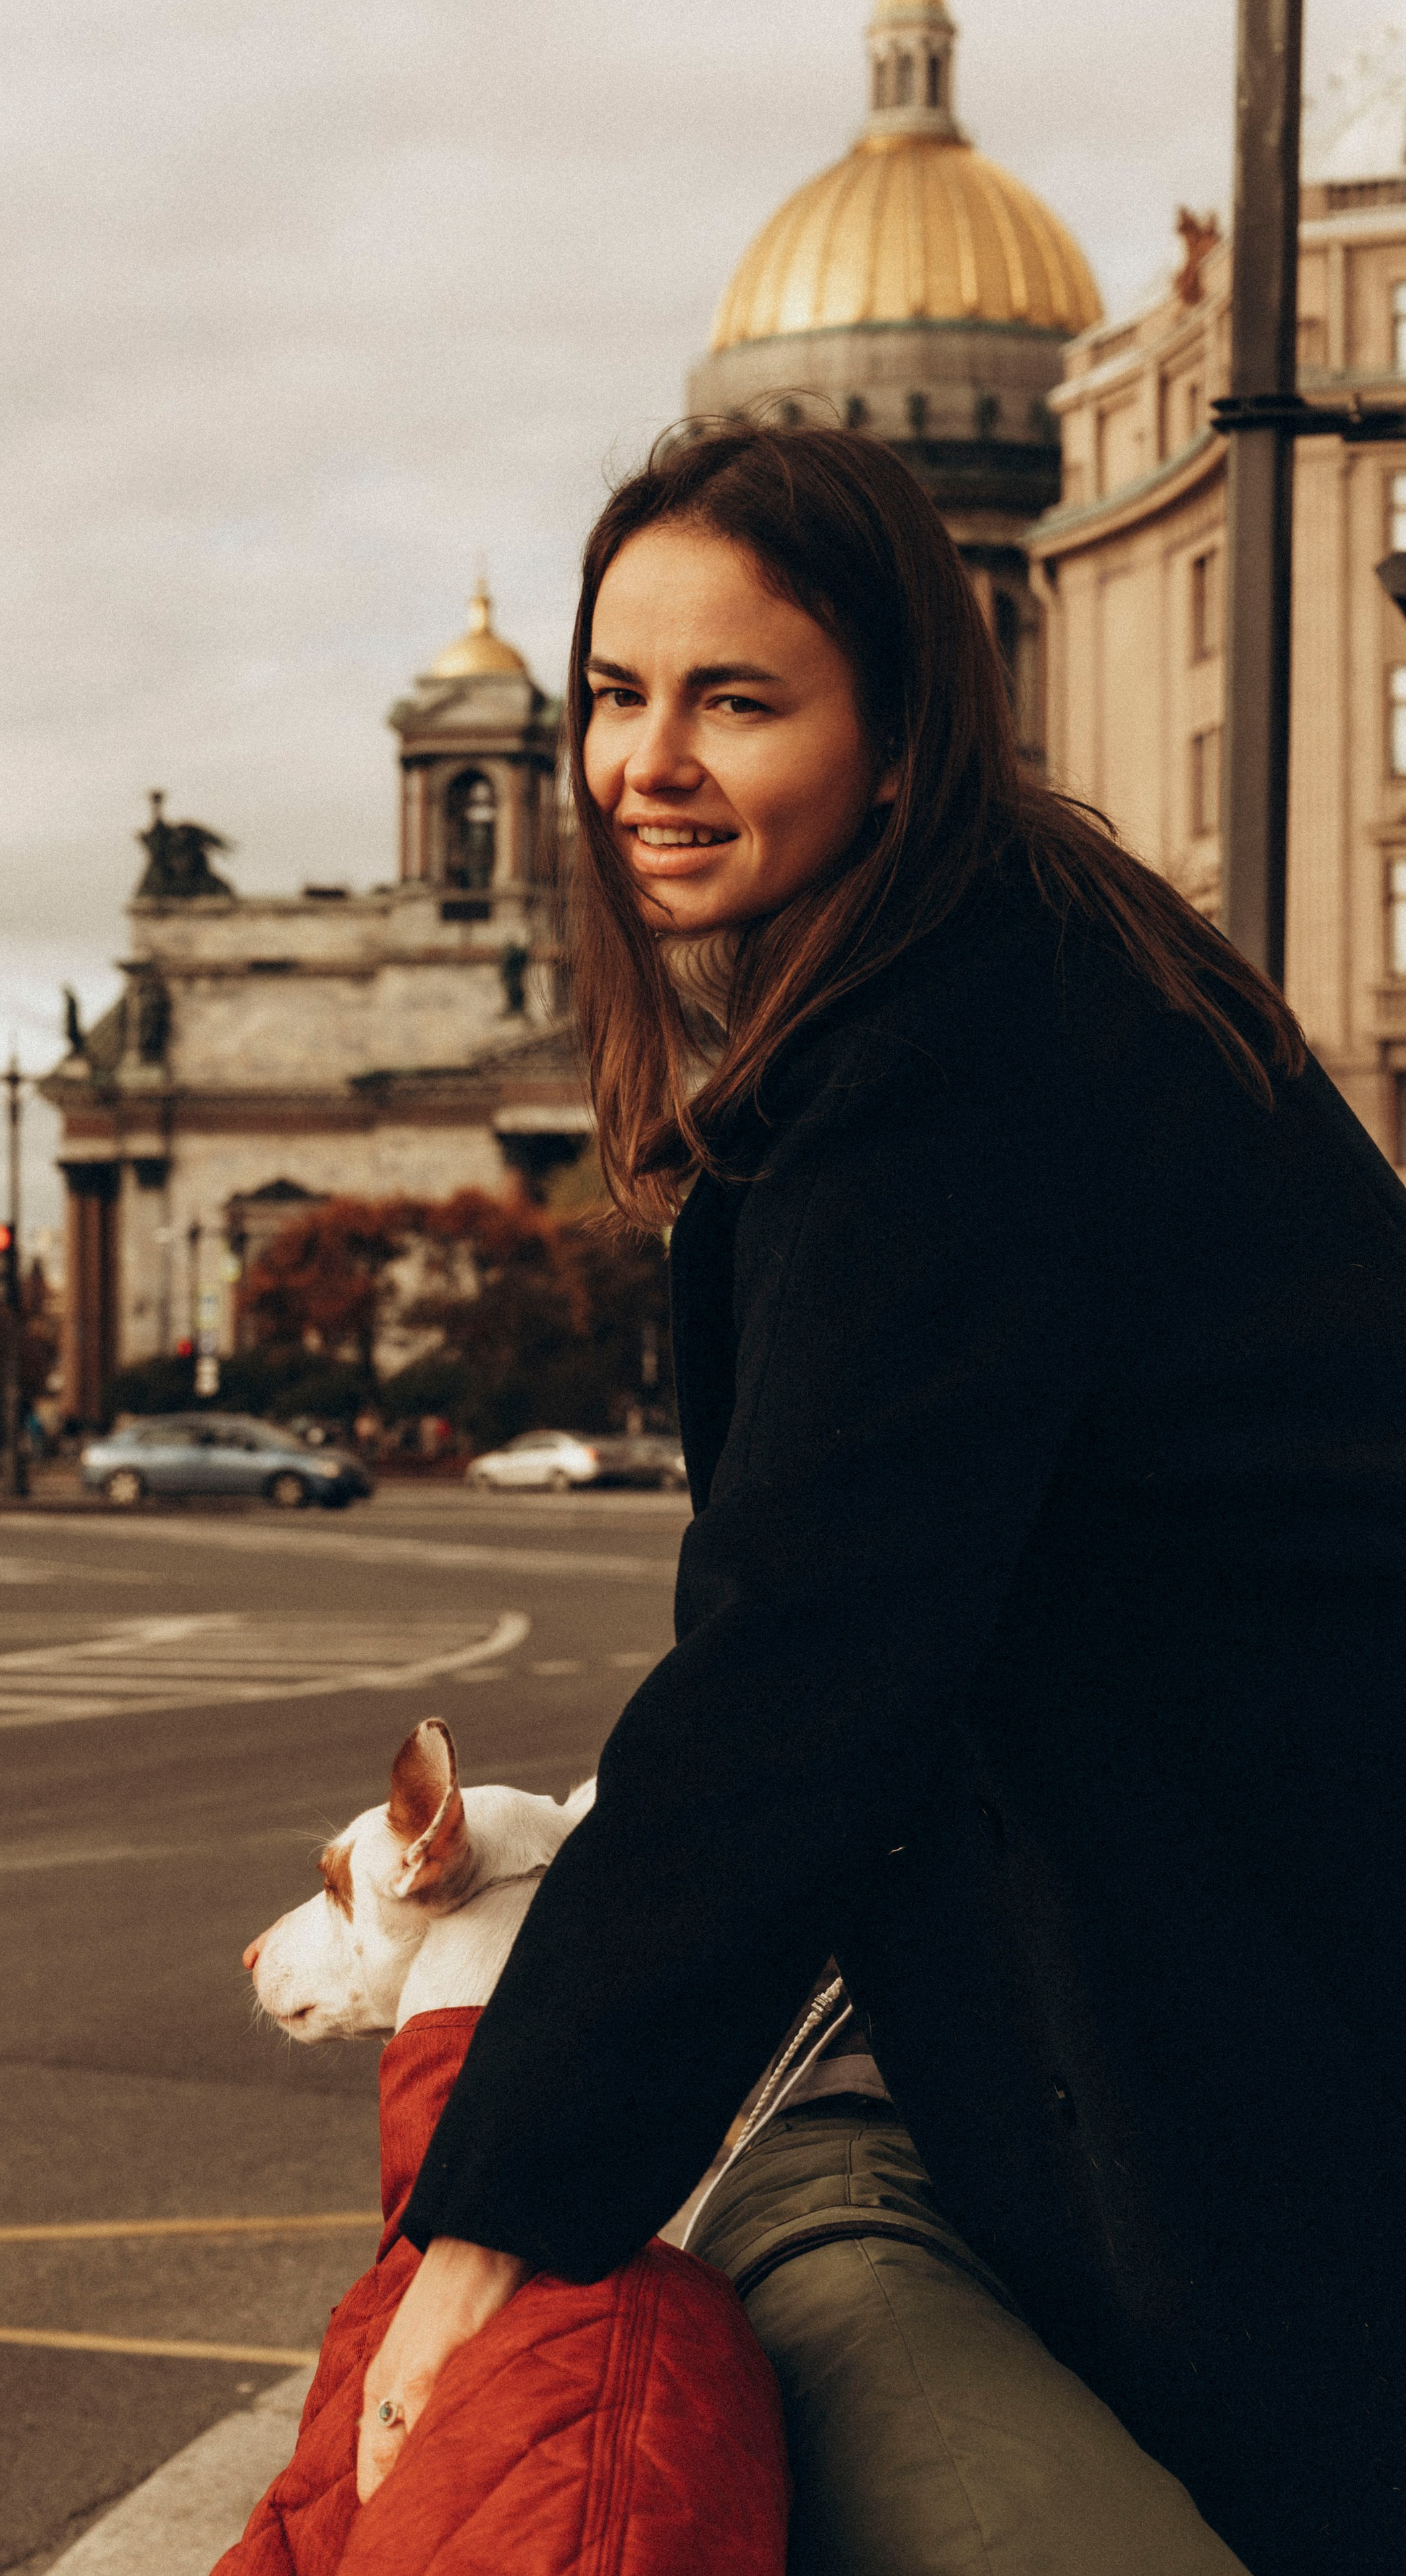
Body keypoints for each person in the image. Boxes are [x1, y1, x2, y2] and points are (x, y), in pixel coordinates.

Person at [354, 422, 1406, 2575]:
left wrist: (496, 2216)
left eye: (736, 699)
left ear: (904, 737)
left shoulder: (941, 1067)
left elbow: (811, 1672)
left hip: (1271, 1982)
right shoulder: (1022, 966)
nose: (648, 761)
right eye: (615, 697)